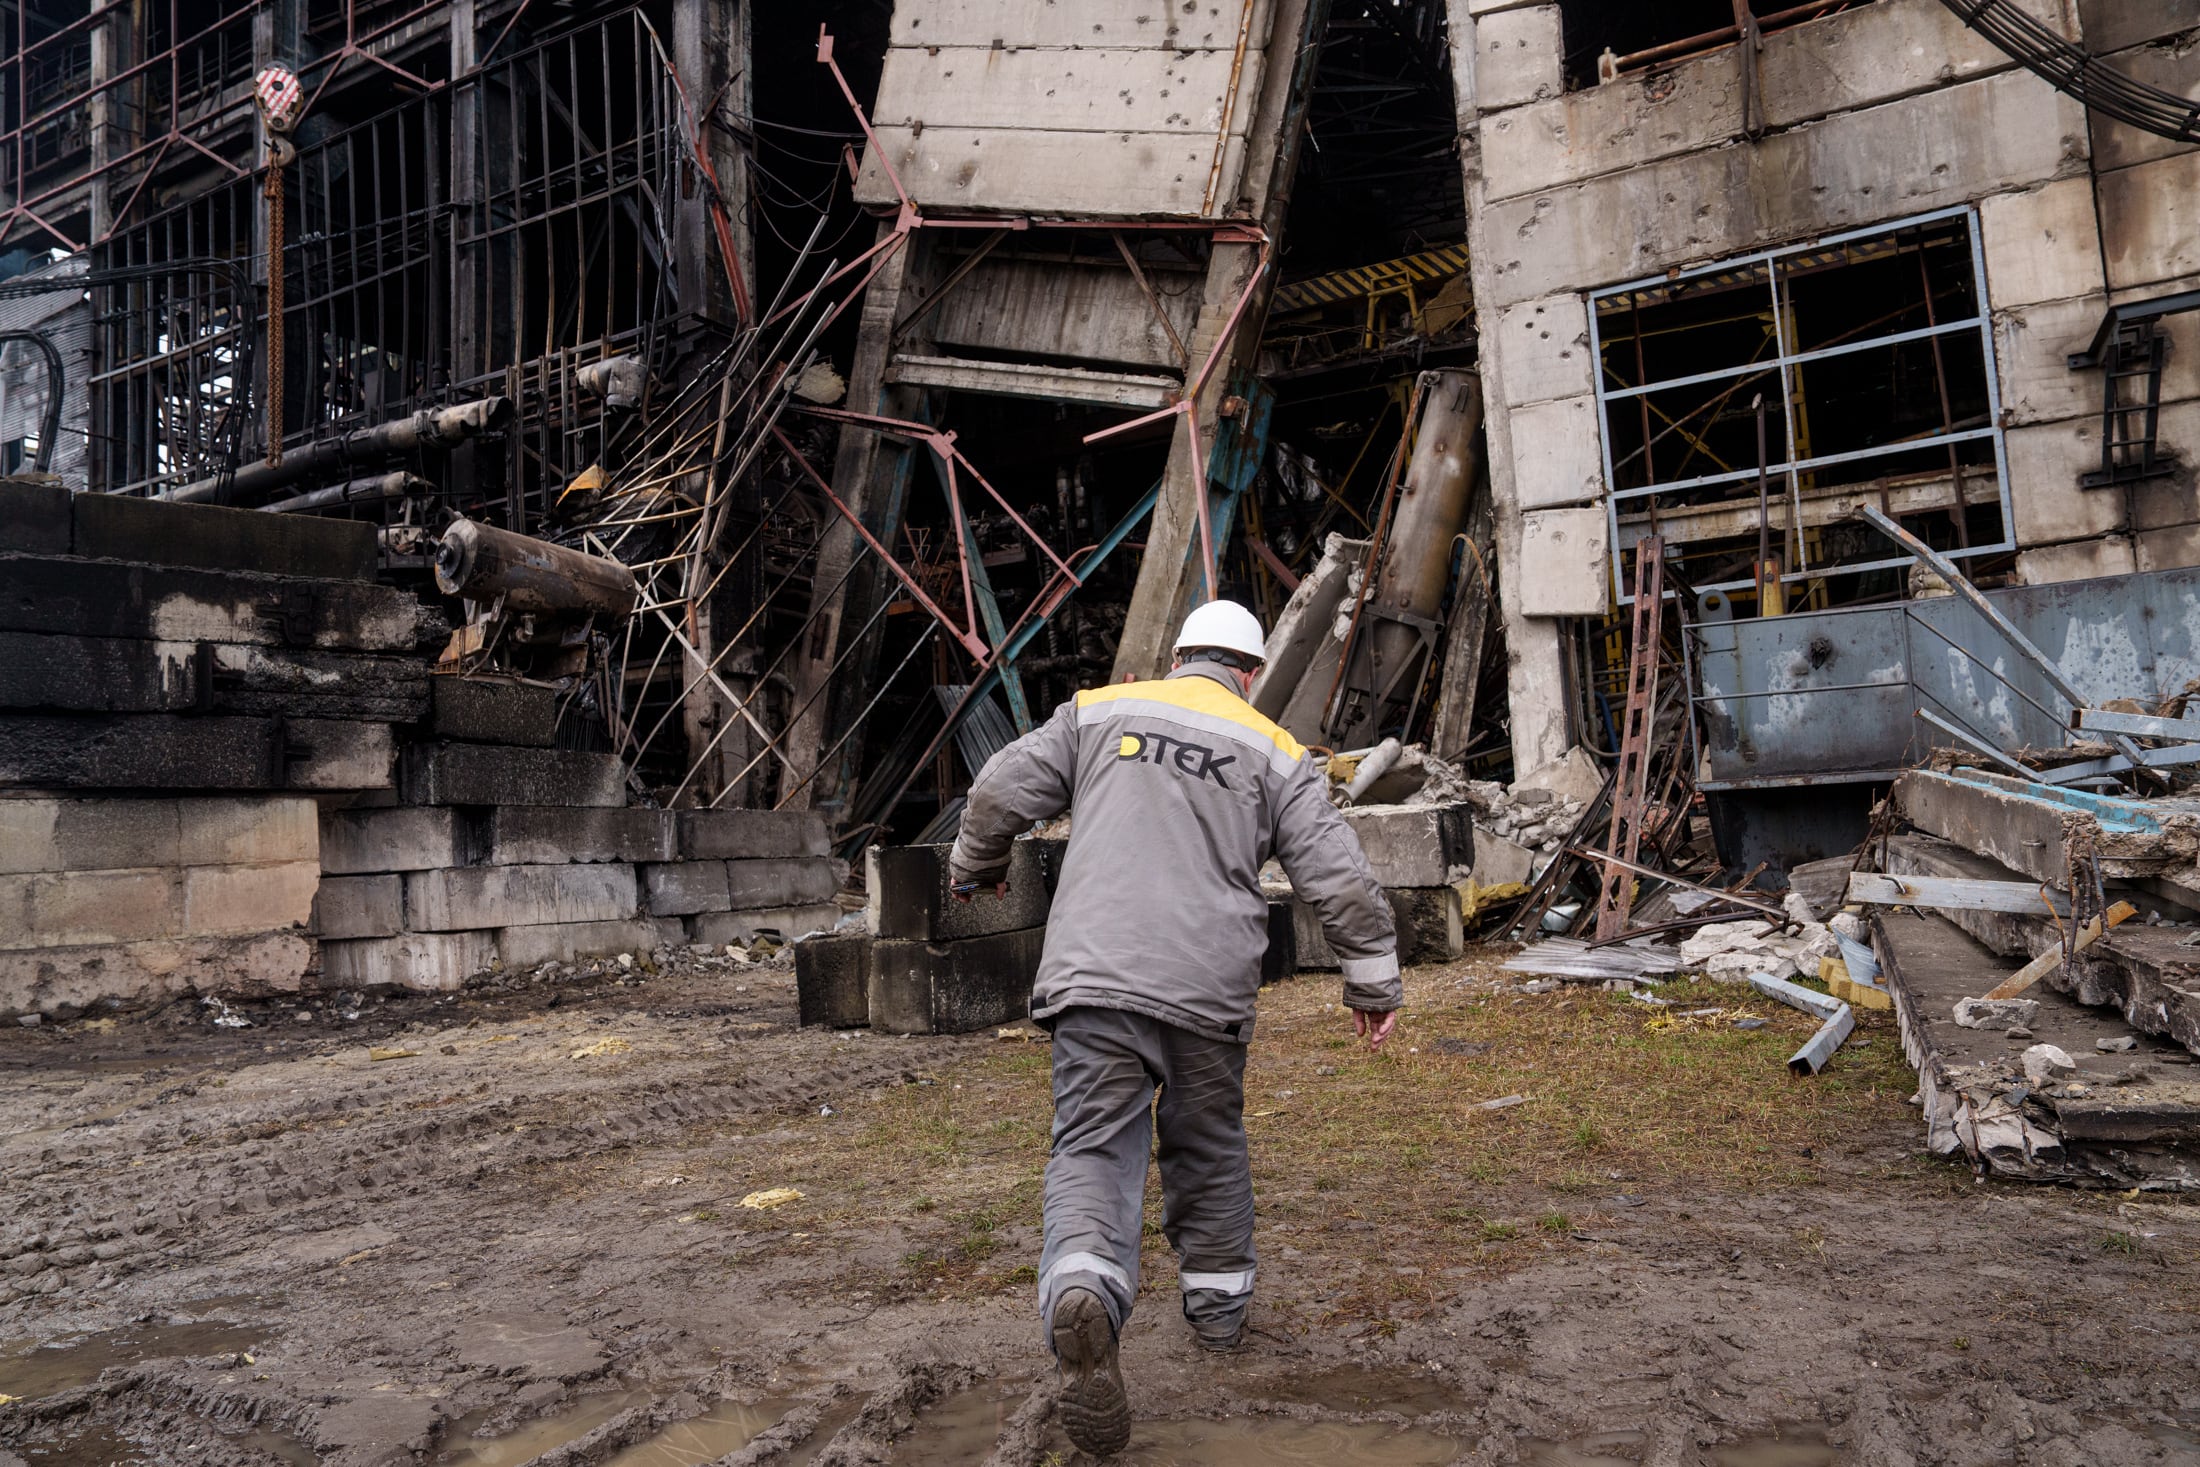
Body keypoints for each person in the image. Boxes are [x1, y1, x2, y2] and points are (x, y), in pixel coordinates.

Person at [948, 598, 1400, 1458]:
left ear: (1178, 652)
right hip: (1206, 994)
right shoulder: (1273, 750)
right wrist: (1370, 980)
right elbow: (1336, 876)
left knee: (1091, 1145)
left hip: (1095, 981)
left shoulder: (1099, 711)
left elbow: (1000, 787)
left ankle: (1085, 1283)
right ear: (1251, 673)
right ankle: (1219, 1315)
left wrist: (977, 864)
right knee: (1208, 1145)